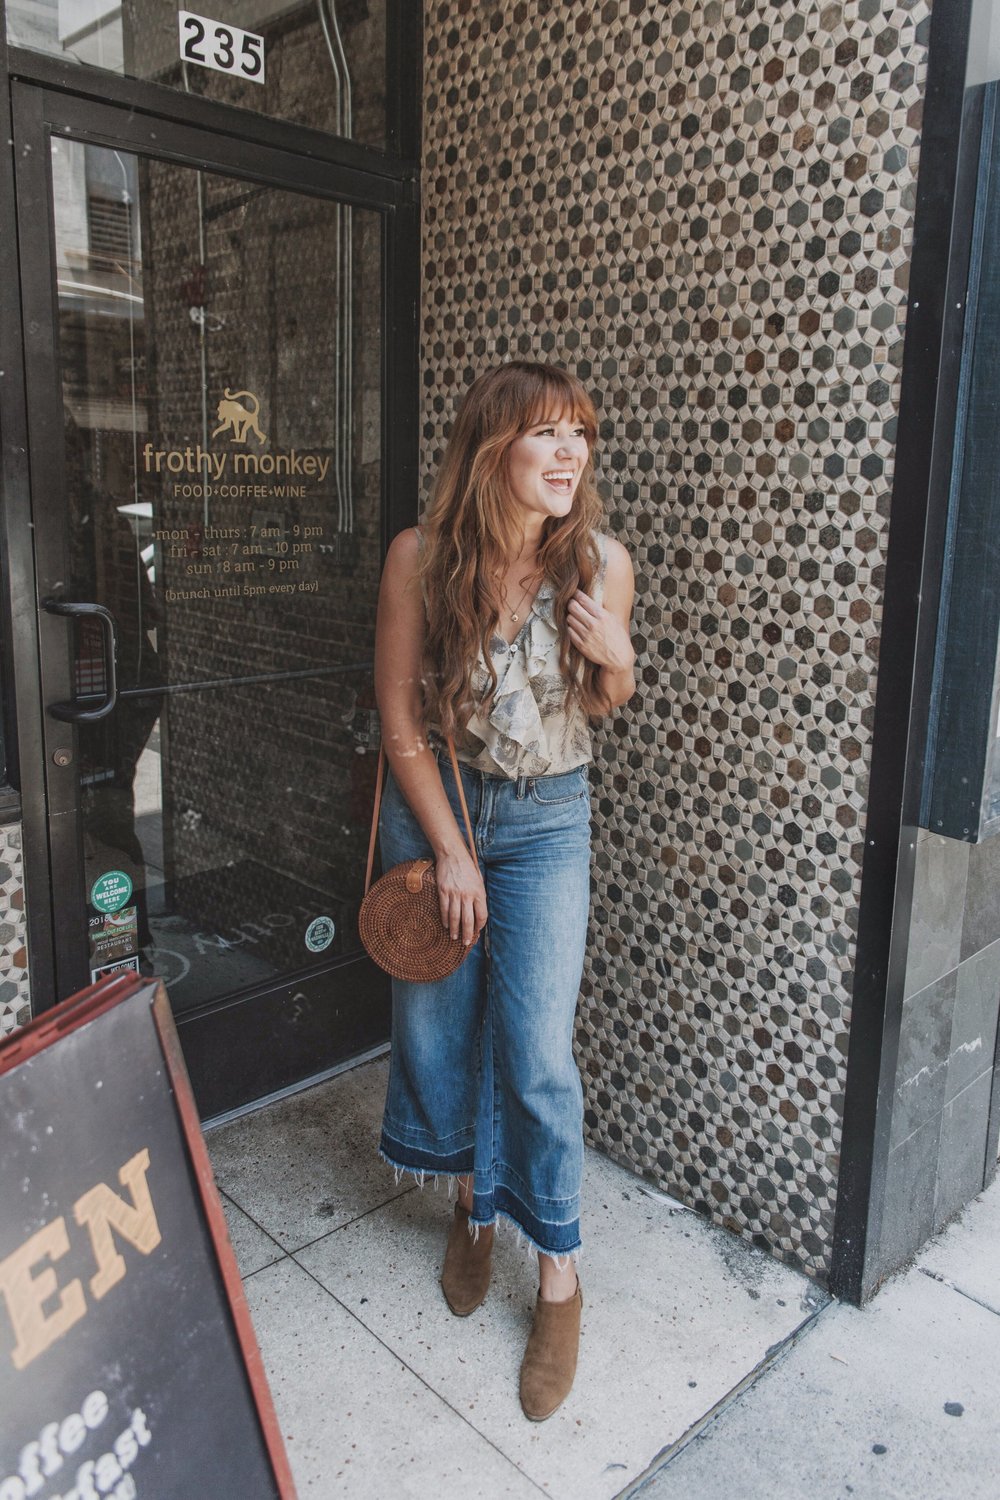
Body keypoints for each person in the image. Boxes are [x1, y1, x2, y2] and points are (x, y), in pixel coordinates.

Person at [373, 359, 635, 1420]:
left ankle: (559, 1274)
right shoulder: (422, 557)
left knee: (535, 1050)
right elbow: (398, 716)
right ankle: (473, 1208)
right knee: (439, 1025)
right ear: (494, 448)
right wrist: (450, 851)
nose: (571, 453)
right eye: (547, 432)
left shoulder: (600, 563)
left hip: (547, 823)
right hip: (442, 809)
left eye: (580, 433)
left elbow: (600, 704)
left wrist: (619, 655)